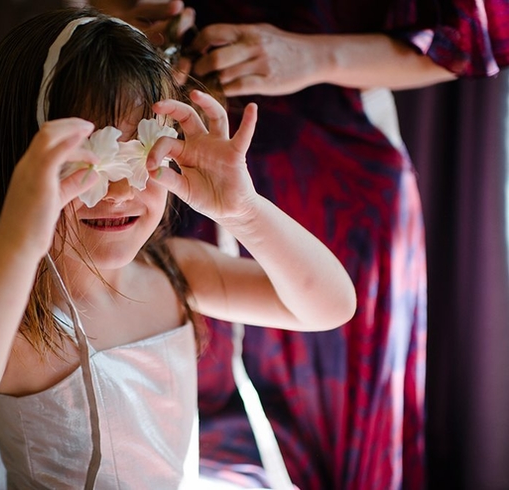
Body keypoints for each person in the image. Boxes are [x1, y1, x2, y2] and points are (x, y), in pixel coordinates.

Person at [0, 7, 356, 490]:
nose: (118, 192)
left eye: (137, 154)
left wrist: (244, 212)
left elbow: (332, 306)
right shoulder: (20, 321)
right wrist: (16, 246)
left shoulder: (178, 273)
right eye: (90, 162)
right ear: (19, 164)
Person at [84, 1, 509, 489]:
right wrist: (126, 27)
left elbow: (471, 38)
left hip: (334, 193)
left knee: (340, 440)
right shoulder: (138, 232)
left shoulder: (181, 267)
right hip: (175, 176)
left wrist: (313, 56)